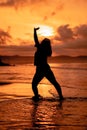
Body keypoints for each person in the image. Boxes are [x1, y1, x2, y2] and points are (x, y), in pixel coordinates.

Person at [32, 27, 64, 100]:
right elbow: (36, 40)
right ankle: (61, 96)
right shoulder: (47, 50)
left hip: (41, 69)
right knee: (55, 83)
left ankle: (36, 96)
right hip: (46, 69)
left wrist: (34, 31)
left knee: (34, 84)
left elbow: (35, 39)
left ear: (43, 43)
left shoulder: (40, 48)